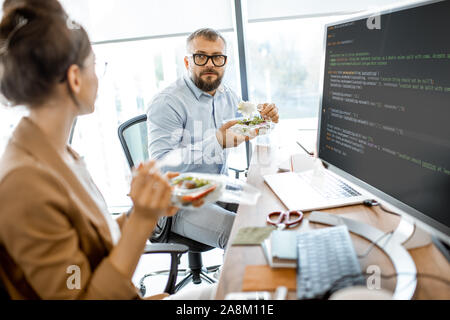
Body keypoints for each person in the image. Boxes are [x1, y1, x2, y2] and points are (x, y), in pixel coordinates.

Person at [0, 0, 214, 300]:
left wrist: (145, 212)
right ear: (75, 78)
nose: (99, 77)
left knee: (234, 294)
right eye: (95, 65)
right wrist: (141, 219)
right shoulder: (24, 183)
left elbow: (92, 243)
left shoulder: (58, 153)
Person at [147, 28, 279, 249]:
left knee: (267, 212)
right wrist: (217, 142)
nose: (210, 64)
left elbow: (245, 128)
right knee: (244, 236)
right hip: (176, 202)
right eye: (201, 56)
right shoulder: (167, 102)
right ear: (188, 62)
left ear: (224, 62)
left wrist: (266, 120)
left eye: (217, 57)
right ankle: (232, 283)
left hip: (219, 187)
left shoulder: (228, 95)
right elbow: (161, 167)